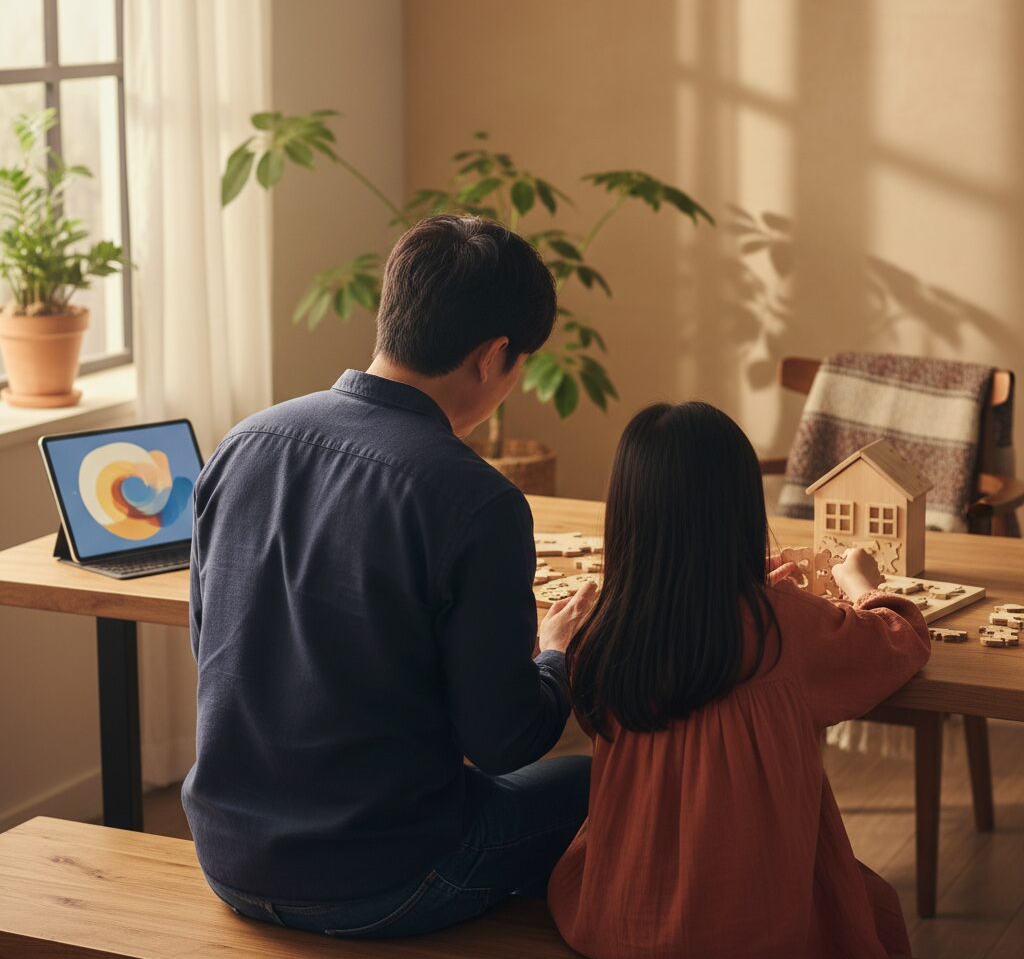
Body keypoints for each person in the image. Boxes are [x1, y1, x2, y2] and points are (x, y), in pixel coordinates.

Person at [183, 214, 594, 938]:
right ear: (494, 355)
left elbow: (210, 645)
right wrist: (557, 654)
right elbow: (504, 740)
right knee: (616, 781)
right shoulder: (478, 501)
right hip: (385, 879)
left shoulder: (242, 444)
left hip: (226, 857)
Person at [548, 401, 929, 959]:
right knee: (873, 908)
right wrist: (859, 583)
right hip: (755, 927)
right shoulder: (785, 624)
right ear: (742, 511)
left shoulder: (604, 630)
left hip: (619, 918)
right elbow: (899, 642)